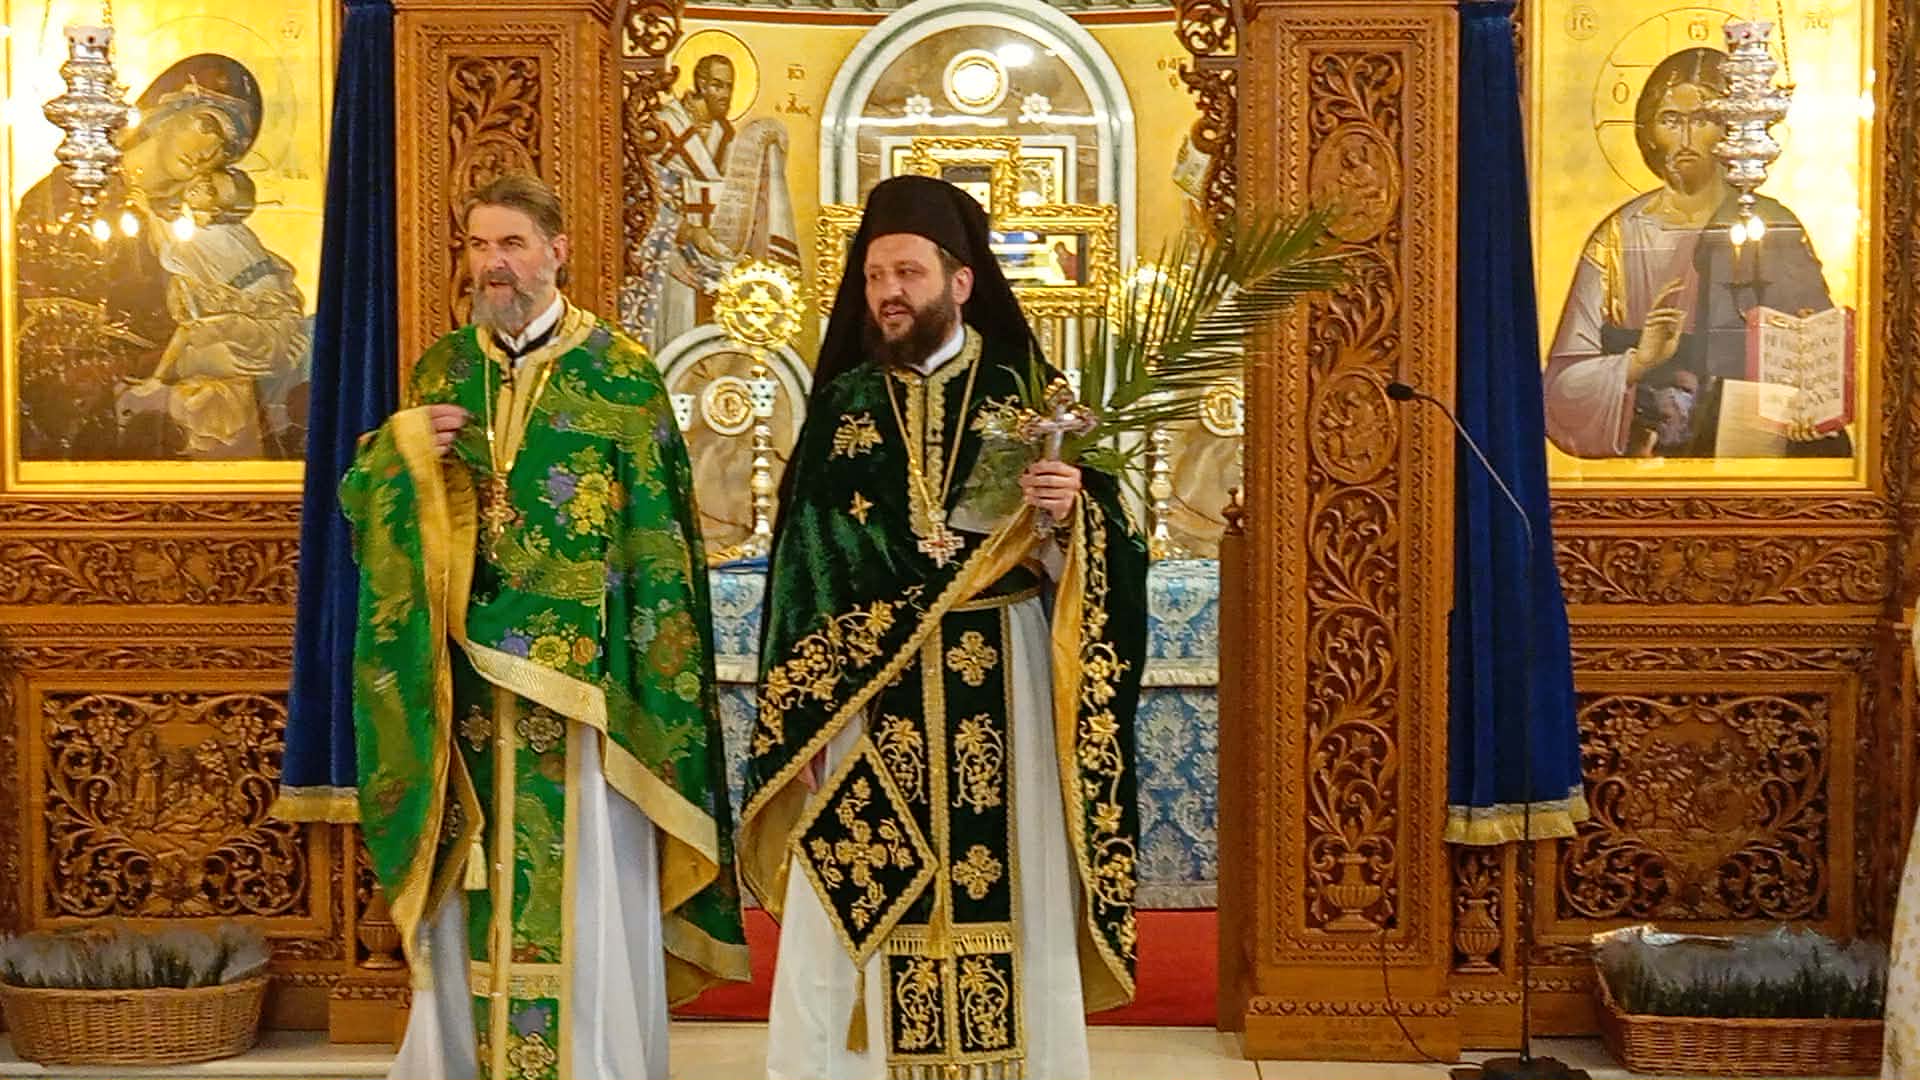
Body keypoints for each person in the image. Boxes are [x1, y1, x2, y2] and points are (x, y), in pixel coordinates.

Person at [739, 175, 1149, 1080]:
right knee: (855, 899)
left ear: (960, 281)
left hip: (1002, 682)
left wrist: (1068, 517)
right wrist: (802, 723)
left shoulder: (1032, 400)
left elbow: (1113, 554)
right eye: (875, 275)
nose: (889, 292)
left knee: (1013, 887)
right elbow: (802, 574)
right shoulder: (844, 405)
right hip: (869, 700)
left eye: (909, 273)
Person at [339, 172, 747, 1080]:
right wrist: (402, 454)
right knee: (472, 891)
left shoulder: (622, 377)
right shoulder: (444, 370)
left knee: (585, 896)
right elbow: (368, 509)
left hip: (583, 700)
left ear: (557, 251)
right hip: (464, 693)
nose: (494, 264)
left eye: (512, 244)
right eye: (479, 245)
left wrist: (637, 687)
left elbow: (660, 552)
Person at [1543, 46, 1845, 459]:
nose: (1685, 139)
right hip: (1647, 463)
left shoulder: (1772, 227)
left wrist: (1809, 406)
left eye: (1703, 119)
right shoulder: (1617, 235)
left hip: (1753, 457)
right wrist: (1639, 362)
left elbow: (1817, 354)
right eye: (1671, 120)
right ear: (1649, 130)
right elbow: (1560, 389)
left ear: (1732, 129)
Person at [117, 169, 310, 459]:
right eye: (197, 184)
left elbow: (171, 254)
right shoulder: (221, 235)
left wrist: (149, 213)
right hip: (260, 332)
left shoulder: (218, 237)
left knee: (197, 347)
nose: (196, 188)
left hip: (266, 334)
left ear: (220, 204)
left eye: (208, 188)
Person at [649, 53, 799, 351]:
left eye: (730, 87)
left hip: (722, 261)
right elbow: (641, 199)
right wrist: (687, 231)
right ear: (701, 85)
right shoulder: (662, 129)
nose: (726, 95)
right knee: (677, 342)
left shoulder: (727, 136)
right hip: (675, 261)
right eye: (718, 86)